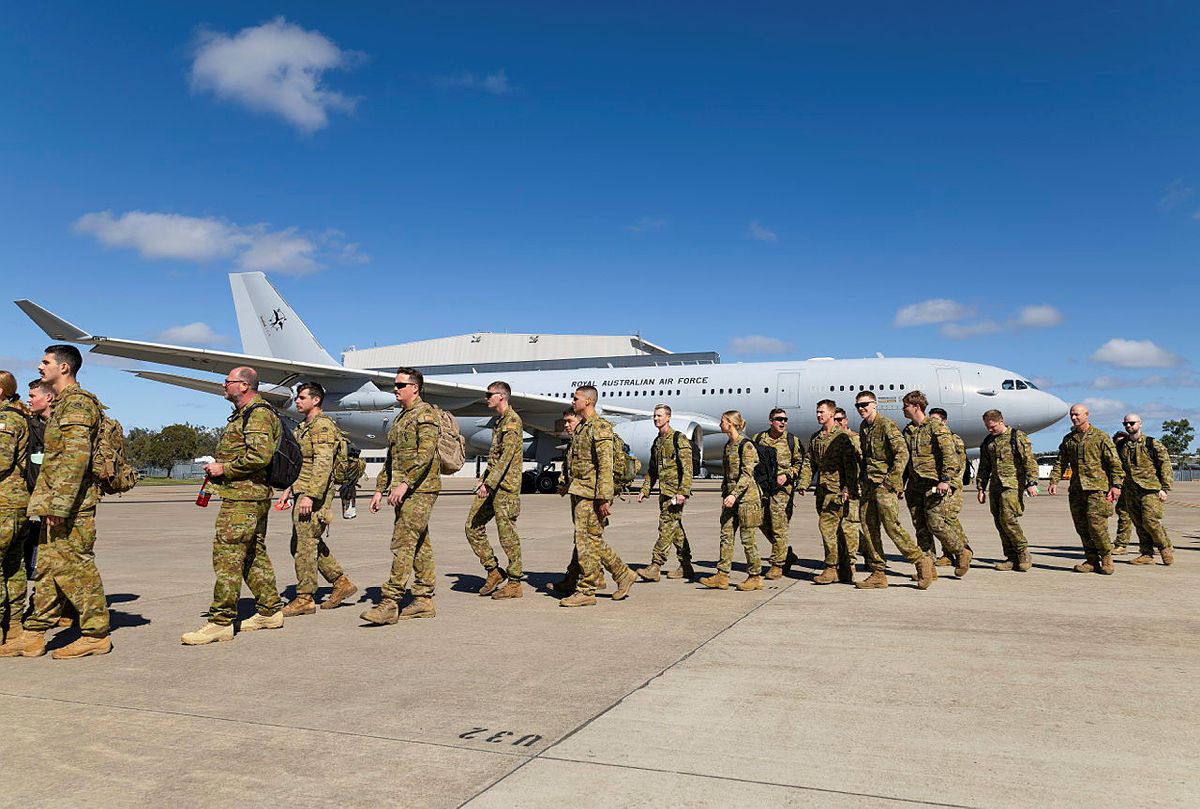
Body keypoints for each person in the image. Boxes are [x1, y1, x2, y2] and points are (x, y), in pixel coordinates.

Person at [2, 345, 113, 658]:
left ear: (64, 368)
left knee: (77, 566)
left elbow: (76, 459)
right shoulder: (63, 403)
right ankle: (34, 634)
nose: (39, 366)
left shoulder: (77, 403)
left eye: (45, 362)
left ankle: (96, 634)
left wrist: (59, 505)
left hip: (72, 505)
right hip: (56, 501)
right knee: (48, 568)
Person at [182, 366, 285, 645]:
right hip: (247, 496)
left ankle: (221, 621)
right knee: (253, 554)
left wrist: (223, 468)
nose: (223, 385)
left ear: (244, 386)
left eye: (228, 381)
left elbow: (259, 456)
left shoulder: (258, 414)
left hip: (244, 499)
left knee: (227, 556)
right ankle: (270, 611)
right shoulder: (245, 413)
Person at [361, 367, 442, 623]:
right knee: (419, 544)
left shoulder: (425, 414)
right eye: (395, 385)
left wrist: (405, 483)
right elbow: (391, 458)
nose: (395, 389)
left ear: (415, 388)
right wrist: (379, 489)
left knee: (403, 542)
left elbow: (426, 454)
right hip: (404, 488)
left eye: (400, 385)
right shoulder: (400, 418)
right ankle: (423, 600)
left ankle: (390, 602)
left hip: (421, 489)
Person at [274, 382, 357, 616]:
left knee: (305, 546)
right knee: (303, 543)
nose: (297, 401)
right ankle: (341, 582)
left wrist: (310, 495)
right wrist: (289, 489)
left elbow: (323, 463)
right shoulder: (304, 426)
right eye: (297, 397)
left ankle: (305, 598)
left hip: (314, 494)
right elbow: (300, 462)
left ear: (316, 400)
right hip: (302, 489)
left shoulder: (322, 426)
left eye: (302, 398)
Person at [559, 386, 635, 607]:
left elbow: (605, 466)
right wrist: (567, 484)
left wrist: (603, 498)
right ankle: (622, 574)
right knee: (589, 540)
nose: (573, 401)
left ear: (588, 401)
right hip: (579, 491)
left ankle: (587, 590)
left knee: (587, 541)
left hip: (592, 495)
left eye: (576, 398)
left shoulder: (599, 427)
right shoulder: (582, 427)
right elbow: (578, 463)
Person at [855, 391, 934, 589]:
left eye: (865, 404)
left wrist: (891, 481)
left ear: (874, 404)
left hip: (884, 485)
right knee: (869, 528)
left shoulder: (886, 425)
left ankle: (920, 561)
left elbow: (902, 453)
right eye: (858, 406)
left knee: (892, 527)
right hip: (868, 485)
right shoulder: (864, 427)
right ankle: (878, 573)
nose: (861, 409)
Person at [901, 392, 971, 579]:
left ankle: (961, 551)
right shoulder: (908, 431)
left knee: (936, 523)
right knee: (920, 527)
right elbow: (906, 460)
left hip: (934, 484)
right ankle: (928, 568)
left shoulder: (935, 426)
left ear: (916, 407)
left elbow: (949, 454)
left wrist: (945, 480)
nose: (903, 409)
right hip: (915, 486)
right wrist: (901, 484)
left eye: (906, 405)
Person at [465, 381, 525, 600]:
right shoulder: (498, 422)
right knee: (472, 527)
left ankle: (515, 582)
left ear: (502, 396)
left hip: (505, 489)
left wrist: (489, 484)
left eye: (489, 394)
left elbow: (507, 458)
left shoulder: (512, 421)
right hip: (492, 486)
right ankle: (493, 570)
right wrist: (484, 481)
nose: (486, 398)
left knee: (507, 536)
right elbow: (495, 458)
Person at [1048, 403, 1123, 575]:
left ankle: (1106, 558)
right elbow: (1060, 462)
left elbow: (1115, 463)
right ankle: (1091, 560)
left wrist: (1116, 485)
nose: (1074, 418)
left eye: (1077, 414)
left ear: (1087, 415)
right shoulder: (1069, 439)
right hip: (1077, 490)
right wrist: (1054, 481)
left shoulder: (1100, 437)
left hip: (1097, 489)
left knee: (1097, 527)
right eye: (1072, 415)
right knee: (1082, 527)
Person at [700, 411, 764, 591]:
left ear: (731, 423)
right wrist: (726, 494)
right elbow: (727, 474)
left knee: (748, 538)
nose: (720, 425)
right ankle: (722, 575)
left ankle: (755, 577)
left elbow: (747, 474)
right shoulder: (728, 445)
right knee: (726, 535)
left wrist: (734, 495)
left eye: (722, 421)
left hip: (747, 500)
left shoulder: (746, 446)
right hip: (730, 499)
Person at [636, 404, 695, 582]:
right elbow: (652, 470)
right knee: (675, 530)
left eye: (659, 416)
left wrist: (683, 492)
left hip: (675, 494)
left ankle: (655, 566)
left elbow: (688, 468)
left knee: (666, 527)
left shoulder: (679, 438)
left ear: (668, 417)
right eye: (655, 416)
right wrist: (645, 490)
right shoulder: (657, 442)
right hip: (664, 493)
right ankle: (686, 566)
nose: (656, 419)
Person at [975, 409, 1039, 571]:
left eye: (993, 427)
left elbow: (1029, 460)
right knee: (999, 521)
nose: (990, 430)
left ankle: (1022, 552)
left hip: (1013, 485)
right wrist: (981, 488)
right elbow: (984, 467)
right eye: (987, 427)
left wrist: (1031, 482)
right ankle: (1011, 557)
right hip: (996, 486)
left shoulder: (1016, 437)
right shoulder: (988, 441)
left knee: (1008, 519)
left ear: (1001, 422)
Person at [808, 399, 860, 584]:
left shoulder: (842, 437)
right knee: (834, 531)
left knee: (829, 528)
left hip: (837, 491)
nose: (818, 415)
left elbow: (851, 466)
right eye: (817, 412)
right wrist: (803, 483)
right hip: (822, 491)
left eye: (821, 412)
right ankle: (844, 568)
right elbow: (809, 462)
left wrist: (847, 489)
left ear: (831, 413)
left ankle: (832, 568)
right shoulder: (816, 437)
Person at [751, 408, 805, 579]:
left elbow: (800, 464)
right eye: (779, 419)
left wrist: (787, 475)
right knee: (760, 521)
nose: (783, 422)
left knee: (779, 526)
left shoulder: (792, 441)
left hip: (782, 490)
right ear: (771, 421)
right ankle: (786, 554)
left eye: (785, 419)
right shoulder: (758, 439)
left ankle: (777, 565)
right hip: (763, 488)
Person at [1116, 414, 1174, 566]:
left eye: (1132, 423)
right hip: (1130, 490)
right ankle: (1146, 553)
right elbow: (1116, 466)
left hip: (1150, 489)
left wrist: (1165, 488)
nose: (1128, 426)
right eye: (1125, 424)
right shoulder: (1121, 445)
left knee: (1150, 521)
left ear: (1140, 424)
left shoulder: (1151, 443)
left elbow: (1165, 465)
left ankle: (1164, 548)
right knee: (1138, 522)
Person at [0, 371, 32, 645]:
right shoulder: (18, 416)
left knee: (10, 565)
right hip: (15, 502)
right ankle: (13, 624)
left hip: (5, 502)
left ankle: (7, 624)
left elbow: (1, 461)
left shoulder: (6, 420)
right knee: (13, 565)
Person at [928, 407, 973, 568]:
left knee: (950, 519)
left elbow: (958, 465)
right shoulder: (933, 438)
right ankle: (948, 554)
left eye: (936, 420)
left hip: (952, 486)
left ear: (944, 421)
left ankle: (964, 549)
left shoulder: (953, 439)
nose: (932, 423)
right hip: (939, 486)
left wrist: (951, 484)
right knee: (942, 519)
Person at [1111, 431, 1132, 554]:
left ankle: (1161, 544)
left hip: (1139, 488)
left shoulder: (1134, 453)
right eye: (1118, 442)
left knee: (1147, 518)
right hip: (1123, 488)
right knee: (1123, 513)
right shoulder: (1113, 457)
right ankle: (1121, 544)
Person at [339, 444, 365, 519]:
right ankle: (351, 511)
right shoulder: (360, 462)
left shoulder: (345, 462)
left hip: (346, 485)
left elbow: (339, 476)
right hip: (352, 484)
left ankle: (348, 512)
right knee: (351, 499)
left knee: (346, 498)